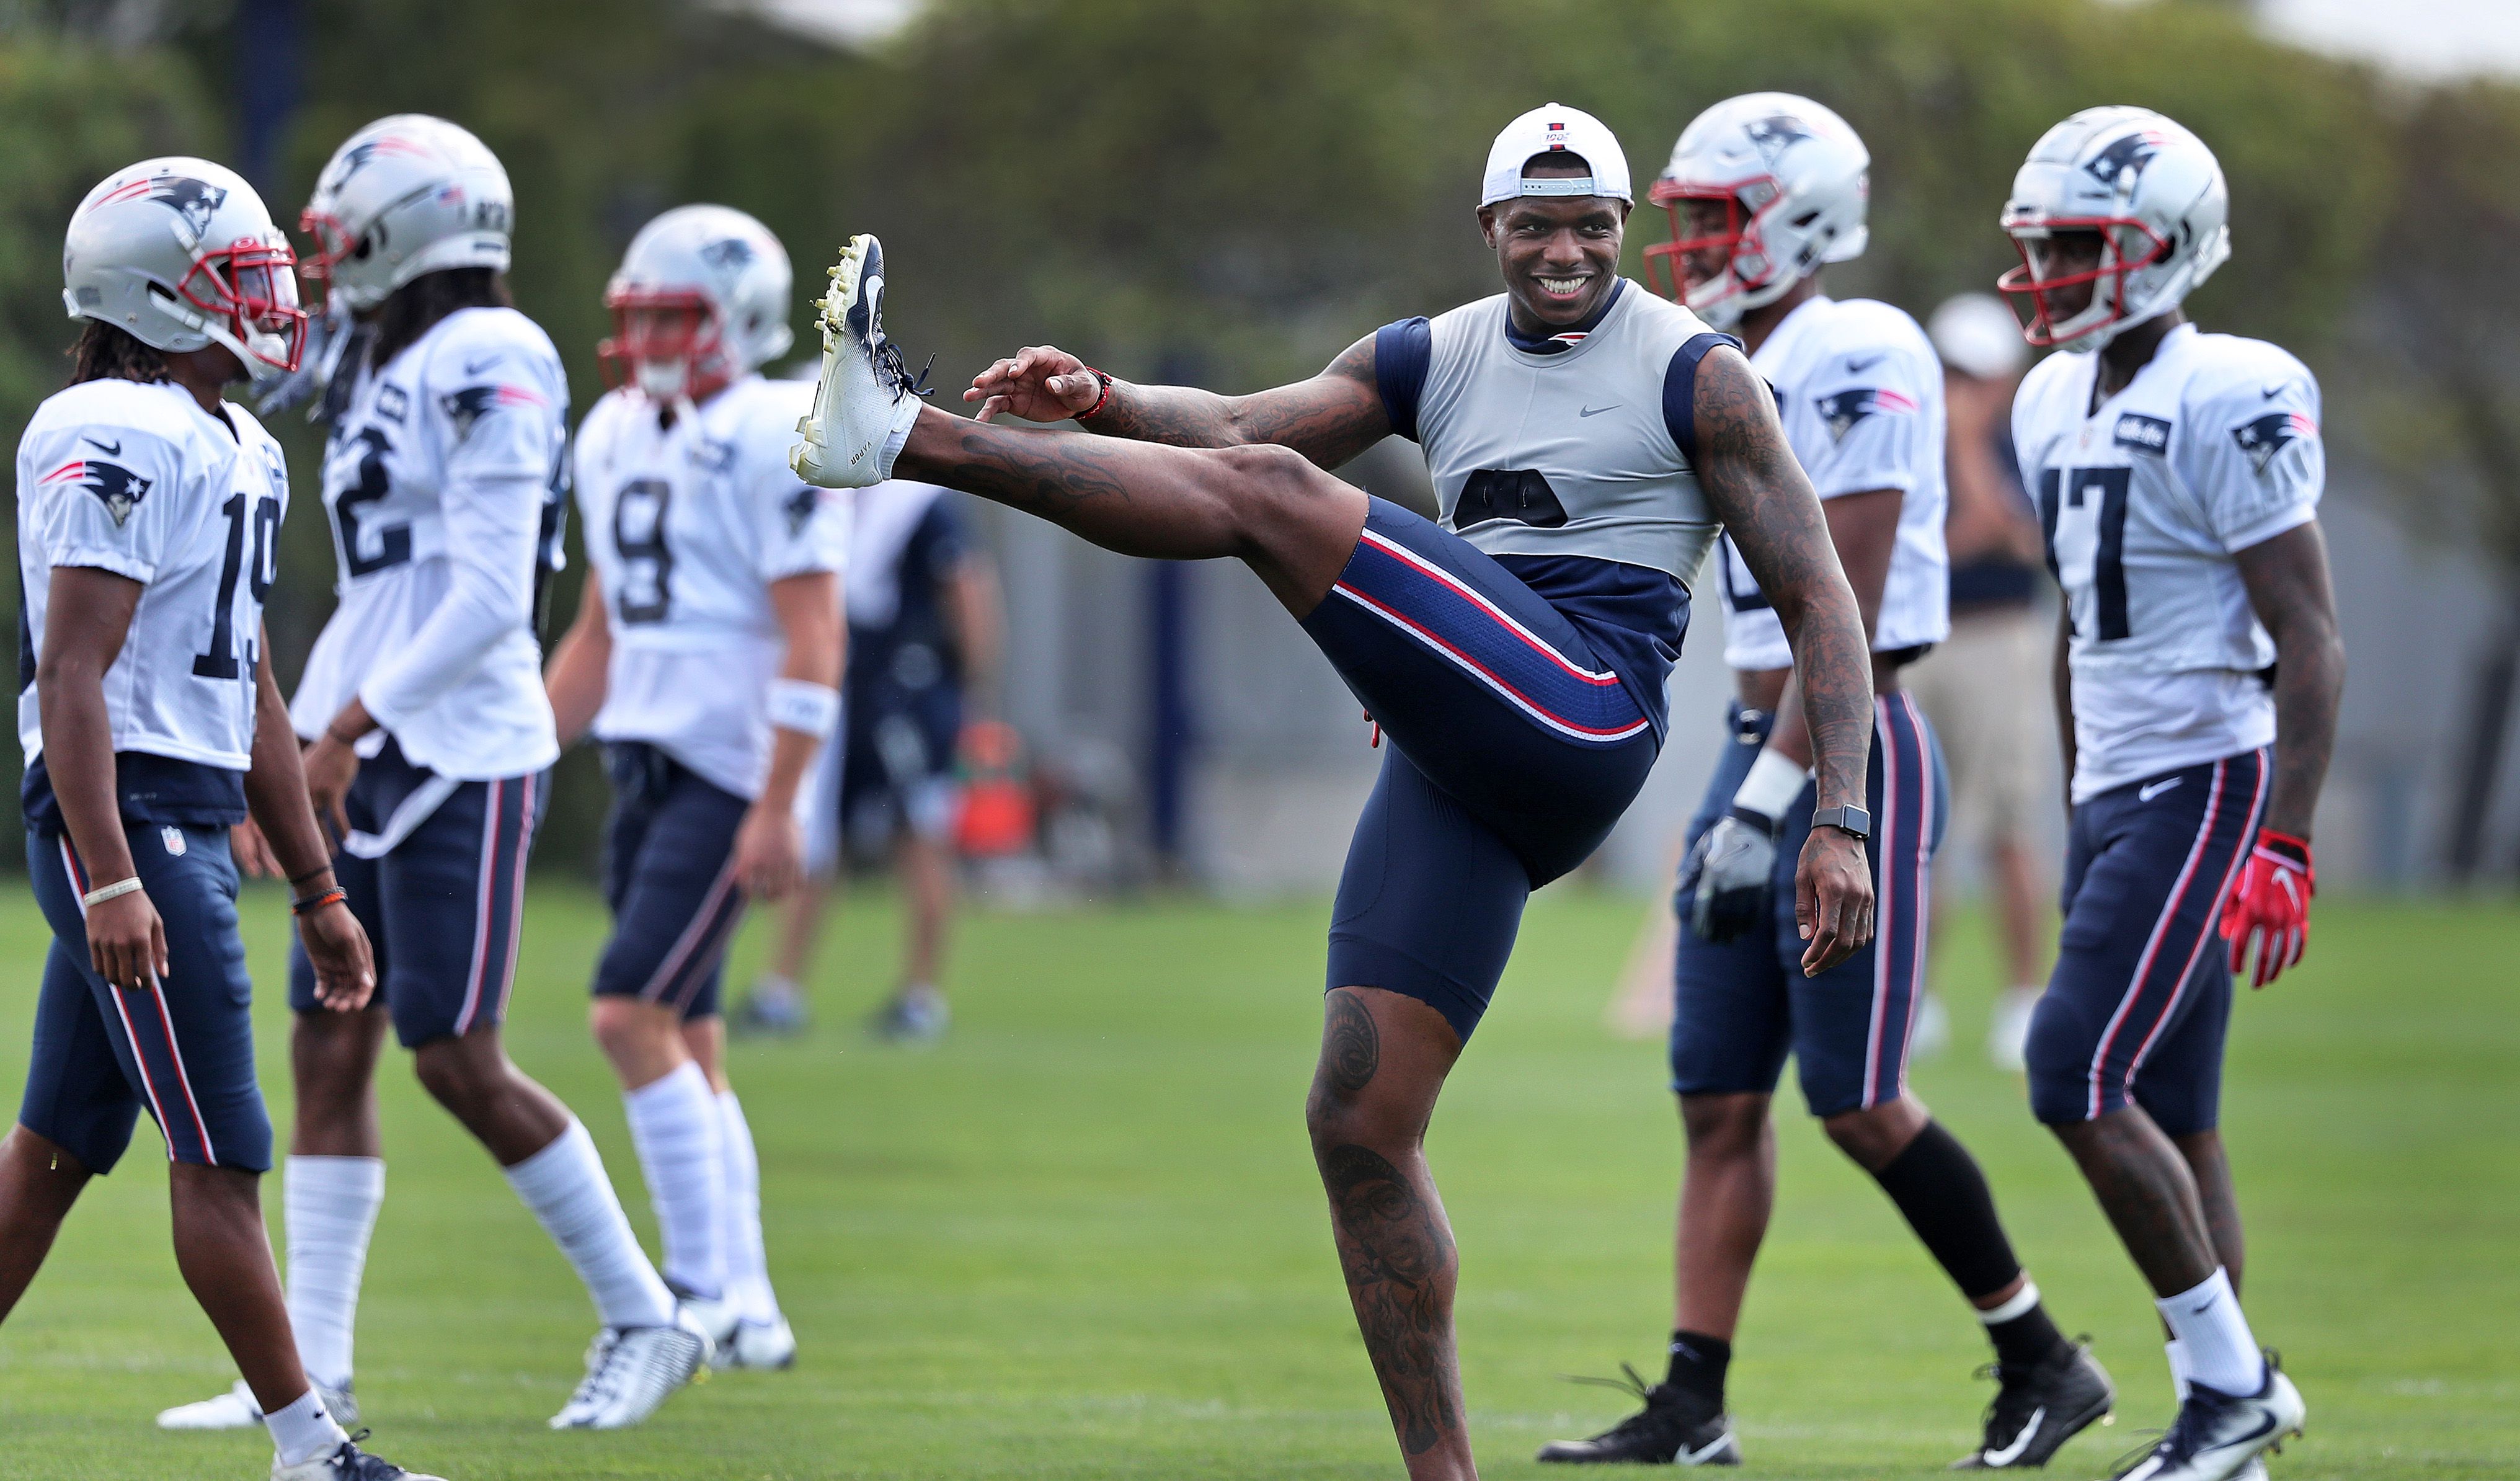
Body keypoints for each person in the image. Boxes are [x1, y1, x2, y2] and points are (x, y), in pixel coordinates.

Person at [791, 102, 1881, 1481]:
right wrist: (1112, 400)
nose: (1563, 250)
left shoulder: (1700, 371)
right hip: (1462, 745)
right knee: (1356, 1123)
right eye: (1534, 225)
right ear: (1490, 230)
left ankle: (901, 437)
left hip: (1584, 704)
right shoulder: (1431, 353)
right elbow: (1243, 418)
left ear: (1627, 233)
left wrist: (1835, 813)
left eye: (1589, 226)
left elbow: (1821, 594)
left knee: (1269, 494)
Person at [1540, 95, 2110, 1472]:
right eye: (1687, 218)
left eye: (1716, 217)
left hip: (1851, 753)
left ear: (1798, 215)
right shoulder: (1721, 352)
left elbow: (1840, 600)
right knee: (1714, 1098)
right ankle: (1693, 1401)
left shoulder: (1857, 346)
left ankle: (2041, 1357)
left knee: (1853, 1096)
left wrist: (1766, 804)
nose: (1692, 244)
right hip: (1752, 752)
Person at [154, 116, 707, 1435]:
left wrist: (342, 725)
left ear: (417, 232)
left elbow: (489, 597)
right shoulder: (386, 358)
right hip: (367, 729)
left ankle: (649, 1316)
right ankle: (315, 1370)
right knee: (327, 1052)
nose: (325, 265)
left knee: (455, 1055)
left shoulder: (490, 352)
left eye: (344, 239)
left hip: (454, 742)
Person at [2, 156, 439, 1481]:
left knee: (59, 1148)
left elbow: (245, 678)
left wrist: (317, 884)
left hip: (176, 811)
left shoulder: (238, 441)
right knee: (223, 1153)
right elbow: (71, 672)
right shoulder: (115, 428)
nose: (267, 299)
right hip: (128, 819)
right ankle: (311, 1451)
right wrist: (111, 873)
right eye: (234, 278)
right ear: (153, 294)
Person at [1999, 106, 2342, 1481]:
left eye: (2087, 246)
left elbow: (2309, 637)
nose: (2058, 273)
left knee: (2069, 1069)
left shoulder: (2230, 387)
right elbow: (2078, 625)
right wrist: (2080, 791)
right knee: (2179, 1109)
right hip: (2119, 786)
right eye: (2048, 246)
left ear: (2168, 250)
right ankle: (2233, 1429)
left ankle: (2231, 1388)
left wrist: (2287, 840)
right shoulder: (2041, 398)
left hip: (2207, 771)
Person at [543, 203, 843, 1371]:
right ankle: (750, 1303)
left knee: (628, 1012)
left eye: (675, 316)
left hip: (729, 767)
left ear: (742, 321)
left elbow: (814, 639)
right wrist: (513, 755)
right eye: (640, 317)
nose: (652, 340)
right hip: (645, 759)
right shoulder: (614, 428)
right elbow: (600, 630)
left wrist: (779, 804)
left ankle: (700, 1286)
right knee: (693, 1036)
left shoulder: (778, 423)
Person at [739, 479, 1001, 1042]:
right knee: (814, 830)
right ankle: (781, 989)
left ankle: (920, 996)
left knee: (920, 833)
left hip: (908, 689)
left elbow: (965, 587)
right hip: (845, 683)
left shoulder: (920, 502)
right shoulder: (818, 495)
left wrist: (970, 691)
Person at [1907, 292, 2056, 1070]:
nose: (1960, 387)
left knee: (2006, 831)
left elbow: (2003, 530)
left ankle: (2023, 1000)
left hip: (2000, 641)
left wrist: (1964, 448)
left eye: (1975, 373)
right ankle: (1914, 1000)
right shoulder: (1906, 439)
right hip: (1926, 644)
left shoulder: (2024, 440)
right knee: (1917, 832)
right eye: (1950, 369)